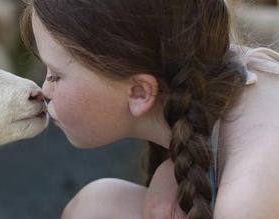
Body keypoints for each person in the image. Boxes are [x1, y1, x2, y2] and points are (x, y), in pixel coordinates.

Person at [20, 0, 279, 218]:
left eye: (55, 74)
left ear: (140, 92)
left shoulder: (248, 201)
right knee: (99, 206)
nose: (44, 90)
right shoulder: (209, 71)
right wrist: (169, 173)